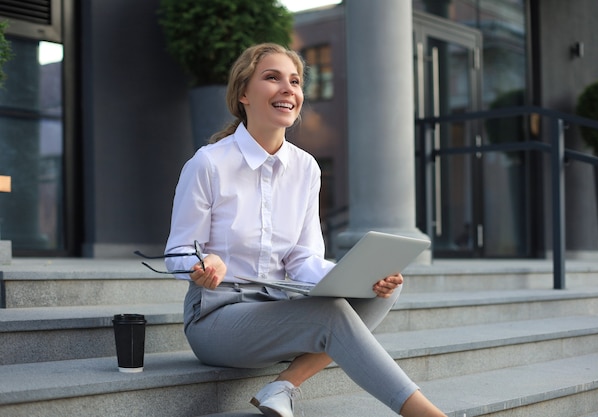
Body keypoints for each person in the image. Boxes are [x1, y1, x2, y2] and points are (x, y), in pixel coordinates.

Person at [163, 43, 447, 417]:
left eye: (294, 81)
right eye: (272, 77)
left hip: (280, 307)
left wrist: (355, 278)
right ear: (243, 94)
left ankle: (283, 385)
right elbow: (177, 253)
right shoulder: (209, 164)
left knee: (384, 290)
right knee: (329, 316)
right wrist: (202, 265)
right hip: (216, 318)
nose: (288, 89)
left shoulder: (307, 168)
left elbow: (302, 258)